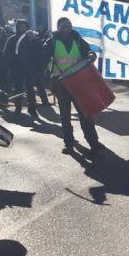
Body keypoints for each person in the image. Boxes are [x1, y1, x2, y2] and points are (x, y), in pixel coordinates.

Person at [44, 17, 106, 154]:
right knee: (65, 116)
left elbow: (88, 51)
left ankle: (93, 142)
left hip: (78, 82)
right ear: (58, 28)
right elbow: (43, 58)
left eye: (69, 25)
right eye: (64, 26)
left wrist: (91, 54)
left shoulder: (78, 39)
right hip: (61, 83)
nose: (67, 28)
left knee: (85, 113)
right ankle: (69, 144)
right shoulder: (51, 42)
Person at [5, 19, 50, 119]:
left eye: (25, 26)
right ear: (17, 27)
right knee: (18, 88)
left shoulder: (32, 39)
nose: (23, 29)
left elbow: (39, 51)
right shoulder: (13, 39)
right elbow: (7, 53)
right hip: (17, 69)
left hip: (30, 68)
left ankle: (32, 109)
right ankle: (18, 107)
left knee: (30, 90)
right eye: (21, 27)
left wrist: (35, 40)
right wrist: (12, 64)